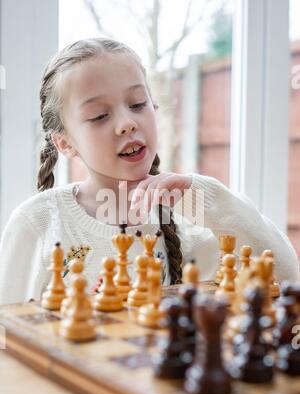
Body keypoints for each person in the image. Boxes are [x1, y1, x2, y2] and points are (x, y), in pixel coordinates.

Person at [0, 38, 298, 305]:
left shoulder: (188, 213)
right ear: (64, 143)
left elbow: (287, 278)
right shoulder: (37, 222)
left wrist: (207, 198)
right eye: (100, 115)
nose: (127, 122)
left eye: (138, 103)